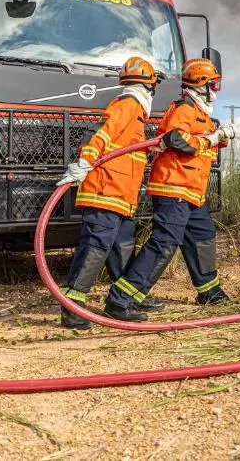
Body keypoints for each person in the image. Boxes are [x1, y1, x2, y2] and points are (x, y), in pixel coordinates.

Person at [103, 58, 234, 321]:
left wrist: (217, 137)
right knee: (164, 243)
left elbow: (201, 143)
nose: (217, 90)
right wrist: (210, 139)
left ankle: (209, 291)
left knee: (202, 235)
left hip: (192, 192)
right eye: (214, 84)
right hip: (173, 187)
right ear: (201, 85)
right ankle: (121, 299)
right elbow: (175, 138)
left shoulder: (201, 113)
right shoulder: (184, 108)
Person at [56, 56, 165, 329]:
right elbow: (102, 136)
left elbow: (124, 147)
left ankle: (122, 301)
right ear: (149, 86)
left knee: (122, 248)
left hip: (121, 198)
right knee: (95, 248)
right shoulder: (128, 105)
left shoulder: (136, 115)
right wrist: (83, 164)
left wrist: (154, 146)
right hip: (105, 193)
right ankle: (72, 308)